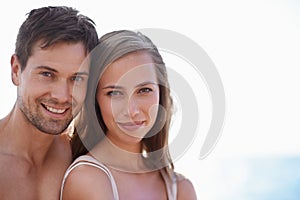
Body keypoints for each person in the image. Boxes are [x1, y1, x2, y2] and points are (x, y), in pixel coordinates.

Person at [60, 30, 197, 199]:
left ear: (161, 92)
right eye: (115, 93)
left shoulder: (181, 189)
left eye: (144, 90)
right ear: (94, 100)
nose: (132, 111)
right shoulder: (88, 179)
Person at [0, 6, 98, 199]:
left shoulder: (81, 160)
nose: (62, 96)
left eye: (77, 79)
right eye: (47, 74)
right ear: (16, 70)